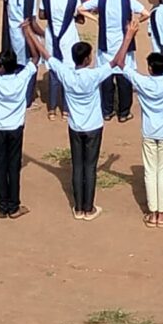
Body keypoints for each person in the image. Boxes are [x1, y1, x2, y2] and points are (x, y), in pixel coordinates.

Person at [48, 28, 120, 217]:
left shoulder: (66, 73)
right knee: (90, 167)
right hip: (93, 127)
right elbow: (116, 61)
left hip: (75, 127)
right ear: (87, 59)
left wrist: (29, 33)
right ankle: (89, 208)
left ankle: (79, 208)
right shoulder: (94, 75)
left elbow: (45, 54)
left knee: (78, 166)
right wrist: (128, 35)